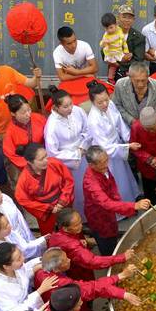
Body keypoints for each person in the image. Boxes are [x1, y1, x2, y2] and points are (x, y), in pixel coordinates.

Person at [83, 146, 152, 255]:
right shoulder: (91, 183)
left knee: (112, 234)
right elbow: (106, 203)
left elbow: (112, 188)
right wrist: (133, 206)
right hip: (99, 216)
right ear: (92, 165)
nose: (106, 164)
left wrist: (123, 206)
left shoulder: (101, 168)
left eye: (107, 159)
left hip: (109, 213)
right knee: (106, 242)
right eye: (102, 162)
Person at [87, 80, 140, 202]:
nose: (105, 104)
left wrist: (128, 138)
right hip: (107, 153)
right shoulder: (93, 120)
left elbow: (120, 123)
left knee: (125, 177)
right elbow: (104, 145)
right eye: (100, 102)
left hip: (118, 144)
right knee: (115, 180)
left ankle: (130, 199)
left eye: (106, 99)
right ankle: (121, 207)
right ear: (93, 102)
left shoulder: (110, 105)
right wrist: (127, 147)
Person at [48, 208, 136, 281]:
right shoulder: (71, 245)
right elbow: (92, 261)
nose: (81, 226)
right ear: (65, 228)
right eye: (76, 225)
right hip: (77, 273)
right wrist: (122, 257)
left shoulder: (58, 234)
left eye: (80, 222)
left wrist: (79, 241)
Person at [43, 87, 91, 216]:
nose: (70, 108)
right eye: (65, 106)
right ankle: (82, 216)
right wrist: (76, 155)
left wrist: (83, 147)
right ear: (56, 108)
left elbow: (87, 129)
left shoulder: (78, 111)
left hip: (83, 152)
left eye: (71, 103)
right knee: (78, 190)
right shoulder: (52, 125)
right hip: (69, 163)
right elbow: (52, 153)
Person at [0, 242, 56, 311]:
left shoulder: (15, 268)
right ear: (6, 266)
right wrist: (39, 291)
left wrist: (39, 266)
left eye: (21, 254)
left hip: (31, 306)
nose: (23, 259)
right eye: (19, 259)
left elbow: (25, 273)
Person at [15, 143, 75, 235]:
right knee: (50, 235)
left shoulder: (55, 163)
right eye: (41, 159)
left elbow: (68, 181)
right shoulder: (24, 179)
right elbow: (22, 199)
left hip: (63, 204)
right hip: (45, 212)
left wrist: (62, 201)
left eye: (46, 156)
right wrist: (48, 208)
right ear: (30, 162)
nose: (46, 160)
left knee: (72, 227)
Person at [0, 212, 46, 276]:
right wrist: (34, 267)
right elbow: (15, 276)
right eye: (5, 227)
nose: (10, 226)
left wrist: (43, 239)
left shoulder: (8, 233)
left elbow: (24, 246)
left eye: (8, 222)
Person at [111, 61, 156, 126]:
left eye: (143, 80)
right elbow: (116, 105)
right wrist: (130, 120)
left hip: (151, 128)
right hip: (127, 126)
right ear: (130, 77)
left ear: (148, 76)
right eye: (136, 81)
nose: (140, 84)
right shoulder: (120, 85)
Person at [2, 94, 47, 171]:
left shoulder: (39, 118)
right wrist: (31, 165)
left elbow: (50, 136)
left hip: (45, 156)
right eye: (23, 113)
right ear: (13, 114)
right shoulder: (10, 132)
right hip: (26, 165)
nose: (28, 114)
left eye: (29, 109)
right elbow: (10, 154)